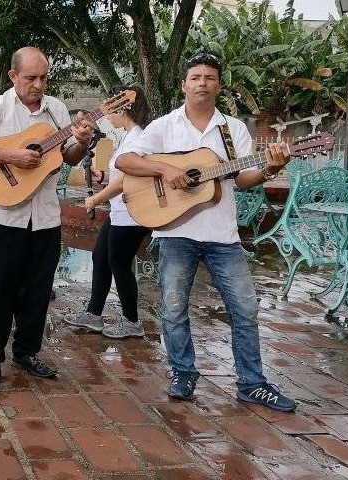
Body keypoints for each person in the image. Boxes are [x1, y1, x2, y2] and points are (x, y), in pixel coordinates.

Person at [115, 52, 295, 412]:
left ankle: (252, 383)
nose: (202, 83)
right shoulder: (164, 126)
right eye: (195, 77)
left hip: (222, 235)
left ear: (219, 85)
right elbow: (125, 160)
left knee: (245, 309)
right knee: (173, 307)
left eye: (209, 77)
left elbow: (243, 180)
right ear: (184, 84)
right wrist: (165, 170)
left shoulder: (233, 130)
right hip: (174, 232)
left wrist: (271, 170)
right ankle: (183, 372)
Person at [0, 46, 94, 392]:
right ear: (13, 76)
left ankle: (26, 352)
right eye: (30, 77)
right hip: (4, 216)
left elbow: (71, 157)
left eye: (43, 77)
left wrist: (82, 140)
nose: (38, 84)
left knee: (37, 291)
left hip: (46, 218)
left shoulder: (58, 109)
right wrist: (11, 155)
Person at [65, 85, 151, 339]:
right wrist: (101, 176)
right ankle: (94, 315)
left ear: (123, 108)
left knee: (119, 264)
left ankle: (132, 322)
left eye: (110, 107)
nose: (106, 113)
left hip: (133, 214)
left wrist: (96, 199)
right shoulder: (127, 136)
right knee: (100, 257)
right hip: (119, 212)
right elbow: (120, 175)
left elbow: (126, 180)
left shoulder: (139, 138)